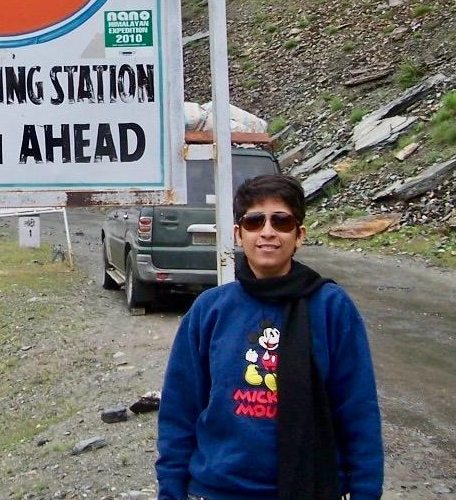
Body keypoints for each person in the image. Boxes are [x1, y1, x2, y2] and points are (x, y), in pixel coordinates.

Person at [155, 174, 383, 500]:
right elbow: (180, 410)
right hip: (217, 490)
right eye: (254, 221)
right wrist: (170, 491)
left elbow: (358, 410)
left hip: (312, 488)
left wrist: (366, 491)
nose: (267, 231)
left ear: (299, 234)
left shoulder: (331, 307)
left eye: (281, 221)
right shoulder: (210, 310)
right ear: (238, 233)